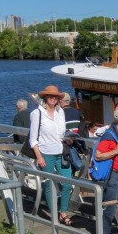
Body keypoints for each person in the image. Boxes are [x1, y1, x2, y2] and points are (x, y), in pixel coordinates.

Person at [29, 85, 74, 226]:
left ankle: (63, 211)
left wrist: (68, 138)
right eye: (50, 96)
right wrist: (39, 157)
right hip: (45, 153)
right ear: (45, 98)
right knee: (49, 184)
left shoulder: (61, 112)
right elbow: (33, 139)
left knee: (68, 183)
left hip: (61, 152)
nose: (53, 98)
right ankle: (54, 215)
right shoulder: (38, 113)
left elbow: (62, 133)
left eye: (56, 97)